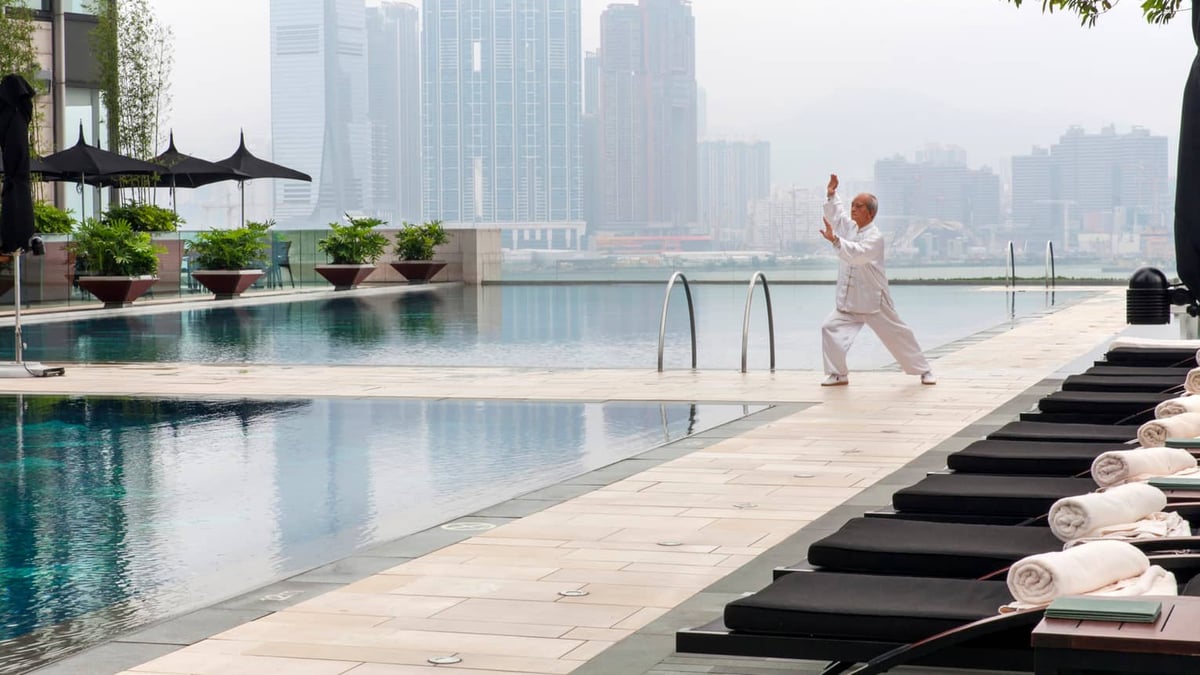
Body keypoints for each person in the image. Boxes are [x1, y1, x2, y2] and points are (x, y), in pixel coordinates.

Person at [818, 173, 935, 386]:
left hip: (874, 300)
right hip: (849, 300)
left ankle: (924, 370)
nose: (853, 209)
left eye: (859, 206)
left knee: (898, 334)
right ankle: (838, 374)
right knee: (829, 328)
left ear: (870, 213)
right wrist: (832, 195)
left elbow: (858, 254)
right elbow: (838, 215)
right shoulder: (850, 227)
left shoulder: (875, 237)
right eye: (853, 205)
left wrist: (835, 240)